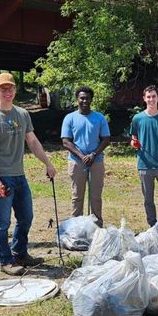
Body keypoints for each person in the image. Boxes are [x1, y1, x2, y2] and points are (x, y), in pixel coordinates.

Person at [0, 72, 58, 277]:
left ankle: (19, 252)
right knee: (2, 223)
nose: (7, 92)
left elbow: (33, 141)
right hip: (2, 178)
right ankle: (5, 260)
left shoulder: (22, 114)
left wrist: (48, 163)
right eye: (3, 88)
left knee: (26, 217)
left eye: (10, 88)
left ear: (15, 90)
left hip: (19, 176)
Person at [60, 86, 111, 224]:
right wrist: (82, 156)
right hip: (77, 162)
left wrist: (93, 154)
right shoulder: (69, 118)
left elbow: (106, 139)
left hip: (97, 161)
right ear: (77, 99)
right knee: (77, 196)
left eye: (87, 98)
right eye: (82, 98)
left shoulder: (99, 117)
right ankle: (76, 226)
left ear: (91, 100)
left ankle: (97, 225)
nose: (84, 101)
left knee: (95, 196)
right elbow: (66, 141)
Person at [128, 85, 158, 227]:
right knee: (148, 199)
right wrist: (134, 144)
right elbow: (133, 139)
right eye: (148, 97)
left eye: (153, 96)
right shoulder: (137, 118)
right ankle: (153, 225)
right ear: (144, 99)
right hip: (144, 165)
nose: (151, 99)